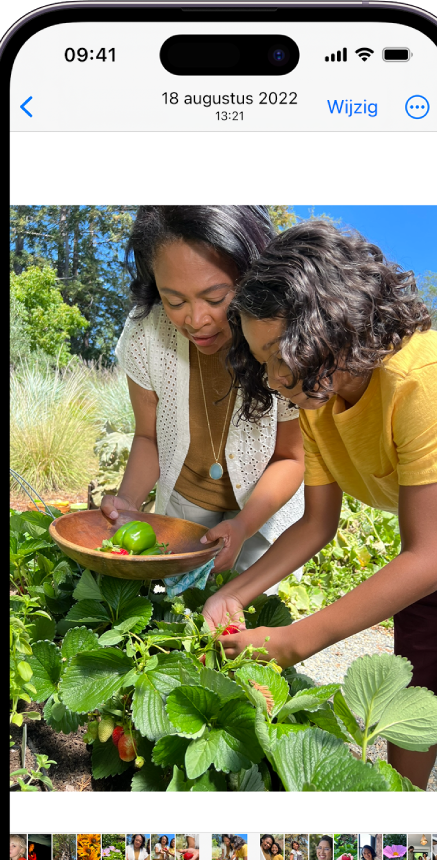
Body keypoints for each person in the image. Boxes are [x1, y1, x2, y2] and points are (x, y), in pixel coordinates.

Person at [204, 220, 437, 788]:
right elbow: (317, 523)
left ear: (333, 321)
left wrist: (297, 638)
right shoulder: (318, 398)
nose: (272, 376)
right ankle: (404, 825)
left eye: (280, 353)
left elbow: (431, 555)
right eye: (261, 359)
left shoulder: (428, 375)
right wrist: (233, 593)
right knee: (415, 703)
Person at [101, 206, 305, 582]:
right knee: (177, 610)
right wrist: (128, 502)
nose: (195, 320)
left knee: (248, 618)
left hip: (264, 512)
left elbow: (290, 458)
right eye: (174, 301)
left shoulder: (282, 339)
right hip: (184, 502)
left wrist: (243, 525)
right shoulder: (146, 332)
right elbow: (149, 437)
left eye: (215, 299)